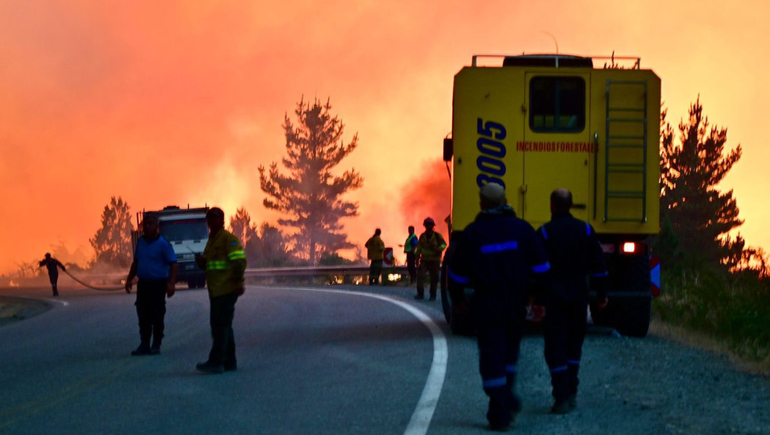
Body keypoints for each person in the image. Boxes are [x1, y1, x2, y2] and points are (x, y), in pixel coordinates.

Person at [447, 183, 550, 431]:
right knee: (511, 352)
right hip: (516, 302)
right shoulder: (523, 230)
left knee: (492, 354)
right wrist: (539, 300)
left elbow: (457, 275)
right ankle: (507, 398)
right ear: (505, 201)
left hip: (487, 303)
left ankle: (499, 407)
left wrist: (458, 300)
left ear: (481, 204)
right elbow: (542, 270)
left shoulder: (472, 234)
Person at [536, 188, 608, 414]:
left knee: (555, 346)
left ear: (552, 205)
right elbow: (599, 267)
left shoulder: (544, 233)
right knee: (574, 345)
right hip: (579, 297)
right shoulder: (585, 230)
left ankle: (561, 396)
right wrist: (601, 295)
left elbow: (538, 271)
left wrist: (537, 301)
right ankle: (572, 391)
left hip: (554, 298)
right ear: (571, 205)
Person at [194, 207, 247, 374]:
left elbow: (239, 262)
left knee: (219, 327)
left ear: (222, 221)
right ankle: (230, 361)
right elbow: (211, 264)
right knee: (225, 326)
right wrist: (201, 262)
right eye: (209, 219)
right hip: (216, 290)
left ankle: (216, 362)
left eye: (215, 218)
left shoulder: (228, 239)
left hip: (226, 289)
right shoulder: (212, 240)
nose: (211, 221)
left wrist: (238, 282)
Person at [125, 214, 178, 356]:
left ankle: (156, 344)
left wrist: (171, 284)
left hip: (158, 284)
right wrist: (129, 280)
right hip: (143, 284)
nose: (146, 227)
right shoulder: (141, 242)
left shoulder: (163, 244)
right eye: (145, 224)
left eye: (150, 224)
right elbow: (136, 262)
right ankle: (144, 344)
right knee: (143, 315)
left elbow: (173, 264)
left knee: (157, 314)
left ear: (156, 226)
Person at [415, 217, 446, 301]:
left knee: (434, 278)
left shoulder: (437, 236)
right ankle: (420, 294)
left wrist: (437, 248)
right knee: (420, 277)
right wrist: (417, 258)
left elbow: (444, 245)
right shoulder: (422, 236)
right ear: (424, 226)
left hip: (434, 260)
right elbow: (419, 248)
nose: (428, 226)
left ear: (432, 226)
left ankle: (433, 295)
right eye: (427, 224)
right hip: (424, 260)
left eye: (430, 224)